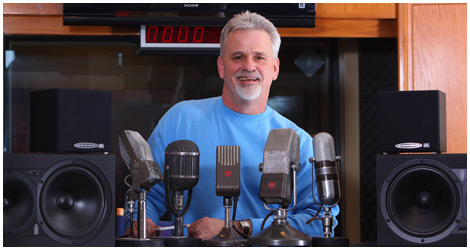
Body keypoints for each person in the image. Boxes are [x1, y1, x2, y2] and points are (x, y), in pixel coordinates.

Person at [124, 11, 339, 240]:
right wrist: (140, 220)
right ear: (221, 67)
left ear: (275, 68)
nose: (248, 66)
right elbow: (146, 196)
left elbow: (319, 222)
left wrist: (239, 227)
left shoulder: (299, 142)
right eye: (237, 57)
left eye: (259, 57)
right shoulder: (179, 119)